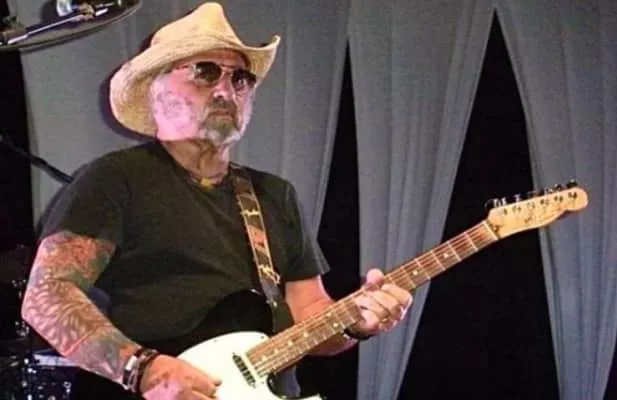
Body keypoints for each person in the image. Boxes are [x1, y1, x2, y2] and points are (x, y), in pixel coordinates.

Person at [21, 3, 413, 400]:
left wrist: (356, 323)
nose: (226, 91)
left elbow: (308, 317)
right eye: (204, 72)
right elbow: (46, 296)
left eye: (240, 78)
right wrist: (141, 369)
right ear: (156, 90)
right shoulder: (114, 179)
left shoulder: (275, 195)